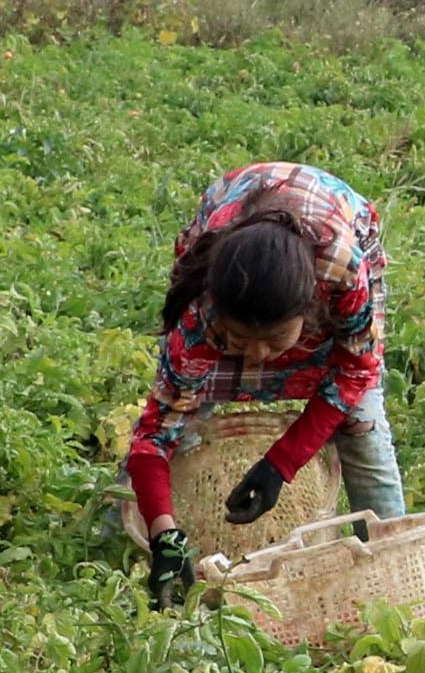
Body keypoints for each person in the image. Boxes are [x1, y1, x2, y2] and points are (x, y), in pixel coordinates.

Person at [123, 163, 401, 609]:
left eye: (274, 340)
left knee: (360, 422)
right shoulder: (200, 308)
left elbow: (355, 371)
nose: (256, 356)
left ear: (310, 313)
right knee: (183, 422)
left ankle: (389, 560)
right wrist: (164, 536)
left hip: (333, 229)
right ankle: (123, 540)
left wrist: (280, 464)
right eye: (239, 341)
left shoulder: (342, 273)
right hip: (232, 224)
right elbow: (156, 434)